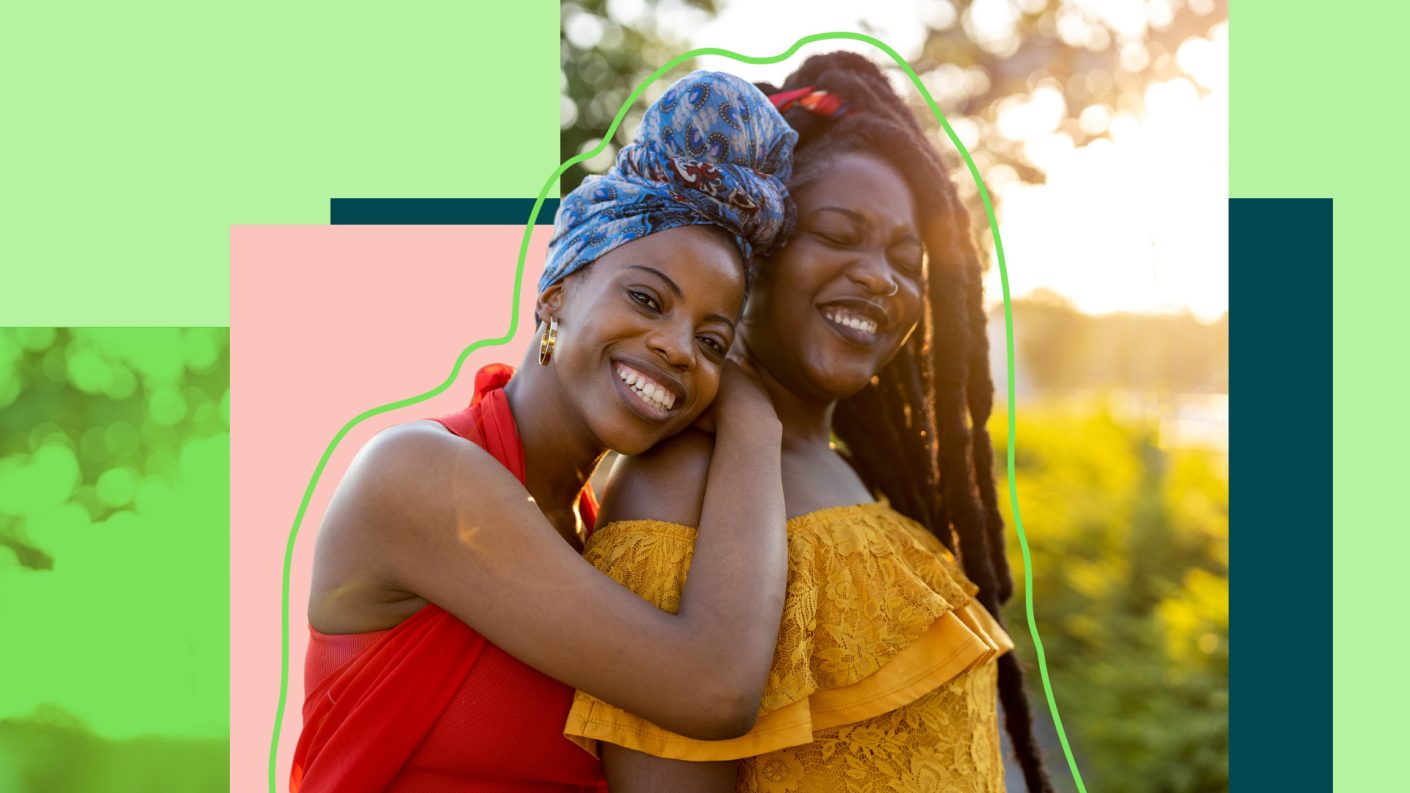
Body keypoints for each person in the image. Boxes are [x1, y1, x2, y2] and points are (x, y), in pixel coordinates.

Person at [289, 70, 798, 792]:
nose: (680, 348)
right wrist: (753, 423)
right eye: (648, 298)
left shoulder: (598, 535)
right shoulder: (423, 476)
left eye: (714, 342)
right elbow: (715, 687)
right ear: (557, 295)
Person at [563, 53, 1055, 792]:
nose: (880, 277)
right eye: (838, 234)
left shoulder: (849, 469)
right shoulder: (683, 483)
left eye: (903, 257)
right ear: (754, 258)